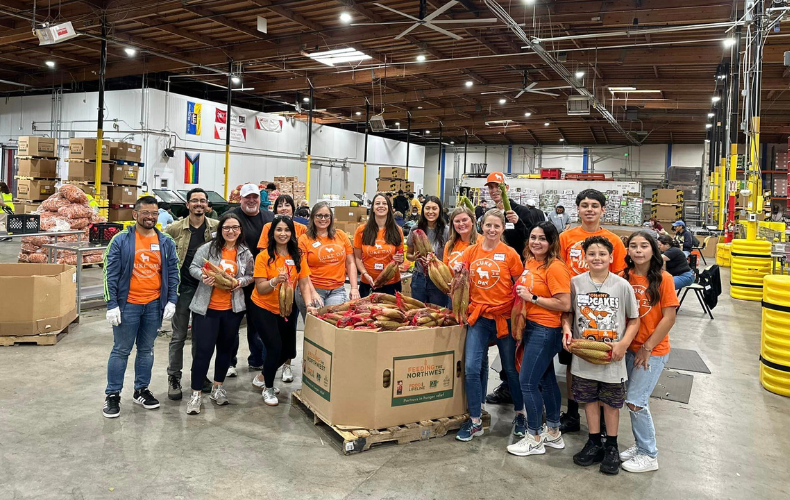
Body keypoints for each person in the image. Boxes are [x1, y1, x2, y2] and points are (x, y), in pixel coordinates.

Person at [562, 235, 640, 474]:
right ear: (584, 257)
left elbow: (634, 319)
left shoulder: (622, 285)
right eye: (592, 254)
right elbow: (568, 313)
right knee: (589, 400)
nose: (597, 258)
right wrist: (566, 329)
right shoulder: (575, 283)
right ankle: (594, 442)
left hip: (612, 357)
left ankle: (612, 446)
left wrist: (623, 344)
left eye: (602, 254)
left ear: (611, 257)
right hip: (585, 355)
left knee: (611, 403)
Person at [557, 188, 628, 434]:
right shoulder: (566, 237)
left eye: (594, 205)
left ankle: (602, 419)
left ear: (603, 210)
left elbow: (619, 276)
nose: (589, 209)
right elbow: (558, 269)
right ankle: (572, 413)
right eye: (585, 205)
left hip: (602, 311)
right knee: (573, 359)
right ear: (577, 209)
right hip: (571, 306)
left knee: (601, 359)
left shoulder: (613, 240)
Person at [102, 196, 179, 418]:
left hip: (154, 305)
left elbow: (173, 272)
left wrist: (171, 300)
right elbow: (109, 273)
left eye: (154, 213)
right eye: (145, 213)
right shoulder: (121, 240)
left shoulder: (165, 241)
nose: (150, 217)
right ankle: (113, 394)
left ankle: (141, 390)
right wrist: (112, 304)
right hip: (128, 305)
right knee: (121, 350)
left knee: (146, 350)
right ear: (135, 214)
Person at [454, 209, 525, 441]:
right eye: (488, 225)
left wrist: (519, 316)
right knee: (472, 368)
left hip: (504, 318)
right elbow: (461, 273)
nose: (492, 230)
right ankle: (475, 420)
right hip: (479, 318)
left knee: (511, 369)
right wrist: (457, 270)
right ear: (481, 226)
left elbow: (519, 284)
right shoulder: (471, 251)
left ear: (503, 228)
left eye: (497, 226)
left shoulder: (510, 254)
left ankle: (521, 414)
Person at [507, 221, 571, 457]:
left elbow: (564, 303)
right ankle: (553, 432)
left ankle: (534, 437)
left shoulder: (555, 267)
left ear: (552, 242)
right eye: (533, 237)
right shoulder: (531, 261)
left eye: (542, 238)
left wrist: (532, 298)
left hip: (545, 330)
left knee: (527, 382)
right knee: (546, 379)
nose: (536, 242)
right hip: (531, 326)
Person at [185, 213, 254, 415]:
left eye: (235, 228)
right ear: (220, 230)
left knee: (225, 350)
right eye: (226, 228)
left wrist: (240, 282)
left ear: (240, 230)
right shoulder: (209, 248)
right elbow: (193, 267)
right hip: (207, 309)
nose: (231, 231)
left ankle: (218, 388)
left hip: (232, 310)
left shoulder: (245, 253)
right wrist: (203, 276)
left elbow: (250, 276)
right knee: (203, 352)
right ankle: (196, 394)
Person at [620, 231, 678, 473]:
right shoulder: (624, 276)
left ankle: (649, 454)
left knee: (636, 401)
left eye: (644, 245)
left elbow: (669, 317)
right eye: (633, 246)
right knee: (633, 399)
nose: (638, 250)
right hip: (629, 349)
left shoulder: (664, 279)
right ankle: (640, 444)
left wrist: (647, 347)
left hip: (652, 350)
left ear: (653, 249)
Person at [249, 216, 317, 406]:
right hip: (262, 307)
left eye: (287, 230)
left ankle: (263, 376)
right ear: (272, 233)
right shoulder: (264, 257)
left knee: (289, 351)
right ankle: (268, 388)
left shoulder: (297, 256)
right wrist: (274, 281)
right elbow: (260, 288)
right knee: (274, 347)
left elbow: (304, 283)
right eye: (279, 230)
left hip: (286, 307)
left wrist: (309, 304)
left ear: (292, 234)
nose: (283, 233)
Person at [164, 188, 219, 401]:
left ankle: (199, 374)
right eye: (194, 200)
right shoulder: (174, 229)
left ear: (207, 205)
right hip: (183, 289)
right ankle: (174, 377)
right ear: (187, 204)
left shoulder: (216, 227)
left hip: (206, 290)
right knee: (178, 336)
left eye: (202, 201)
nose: (199, 204)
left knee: (200, 337)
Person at [480, 172, 529, 406]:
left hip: (514, 284)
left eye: (497, 187)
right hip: (491, 284)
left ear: (506, 188)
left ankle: (515, 388)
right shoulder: (488, 214)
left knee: (514, 338)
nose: (494, 191)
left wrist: (518, 223)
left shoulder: (522, 211)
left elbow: (530, 242)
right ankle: (507, 386)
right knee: (501, 339)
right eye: (490, 187)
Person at [257, 194, 306, 383]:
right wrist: (275, 278)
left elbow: (302, 263)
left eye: (288, 205)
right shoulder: (267, 231)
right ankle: (267, 373)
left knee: (288, 334)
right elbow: (264, 254)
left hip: (290, 292)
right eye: (280, 205)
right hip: (269, 296)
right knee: (272, 341)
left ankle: (285, 366)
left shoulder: (301, 231)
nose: (284, 208)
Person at [226, 184, 274, 377]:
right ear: (241, 199)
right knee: (232, 323)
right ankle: (229, 362)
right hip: (235, 280)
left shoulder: (269, 218)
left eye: (255, 197)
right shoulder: (231, 217)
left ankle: (256, 360)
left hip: (260, 280)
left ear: (260, 199)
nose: (252, 200)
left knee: (257, 323)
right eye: (248, 197)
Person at [296, 201, 360, 319]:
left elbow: (350, 262)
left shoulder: (341, 235)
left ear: (331, 218)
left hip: (337, 290)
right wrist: (312, 292)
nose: (323, 219)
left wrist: (354, 287)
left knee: (333, 324)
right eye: (319, 215)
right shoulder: (304, 239)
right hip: (312, 288)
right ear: (312, 217)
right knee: (315, 327)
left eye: (326, 216)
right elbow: (303, 269)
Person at [354, 193, 405, 297]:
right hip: (368, 282)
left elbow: (401, 258)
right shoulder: (361, 230)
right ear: (372, 208)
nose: (381, 206)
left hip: (392, 283)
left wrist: (400, 260)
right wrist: (365, 274)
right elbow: (358, 258)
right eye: (377, 203)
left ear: (389, 208)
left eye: (384, 203)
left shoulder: (397, 230)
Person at [406, 196, 449, 306]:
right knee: (418, 311)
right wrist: (414, 258)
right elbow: (408, 255)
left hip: (439, 278)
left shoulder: (447, 231)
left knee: (438, 312)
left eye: (434, 208)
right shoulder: (415, 229)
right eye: (427, 208)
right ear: (423, 210)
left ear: (440, 210)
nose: (430, 212)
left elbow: (450, 257)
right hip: (419, 278)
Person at [443, 207, 479, 271]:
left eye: (464, 220)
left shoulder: (483, 242)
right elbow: (445, 272)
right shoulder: (449, 245)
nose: (461, 224)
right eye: (457, 221)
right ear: (453, 224)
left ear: (472, 221)